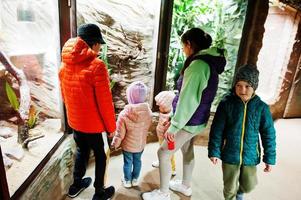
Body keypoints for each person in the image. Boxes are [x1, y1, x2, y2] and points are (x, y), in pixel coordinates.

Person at [142, 27, 226, 200]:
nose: (183, 50)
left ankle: (163, 193)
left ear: (189, 44)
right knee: (187, 150)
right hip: (197, 119)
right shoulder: (208, 62)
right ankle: (185, 186)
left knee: (163, 153)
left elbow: (188, 100)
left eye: (183, 46)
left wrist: (174, 126)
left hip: (188, 121)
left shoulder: (198, 65)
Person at [59, 23, 116, 200]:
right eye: (99, 44)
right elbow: (105, 103)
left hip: (76, 122)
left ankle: (76, 185)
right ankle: (99, 192)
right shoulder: (97, 66)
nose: (100, 48)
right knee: (100, 156)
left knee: (81, 151)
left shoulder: (64, 65)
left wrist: (73, 117)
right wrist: (111, 127)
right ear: (93, 43)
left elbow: (64, 96)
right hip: (94, 126)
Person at [208, 64, 276, 200]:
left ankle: (240, 192)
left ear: (254, 87)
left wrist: (269, 158)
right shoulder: (226, 104)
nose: (242, 90)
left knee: (249, 185)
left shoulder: (262, 108)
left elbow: (269, 134)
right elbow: (217, 129)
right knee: (229, 187)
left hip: (250, 155)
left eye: (247, 86)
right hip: (230, 154)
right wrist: (214, 151)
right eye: (238, 85)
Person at [111, 81, 152, 188]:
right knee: (138, 161)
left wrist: (115, 144)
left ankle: (127, 180)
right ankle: (135, 179)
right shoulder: (148, 112)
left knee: (127, 163)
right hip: (140, 144)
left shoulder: (124, 114)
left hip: (128, 146)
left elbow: (120, 134)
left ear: (130, 97)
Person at [151, 91, 177, 176]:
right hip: (161, 136)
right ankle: (161, 161)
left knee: (170, 153)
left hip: (169, 139)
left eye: (160, 105)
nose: (158, 106)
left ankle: (172, 168)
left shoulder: (172, 116)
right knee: (161, 150)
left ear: (167, 105)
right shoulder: (163, 112)